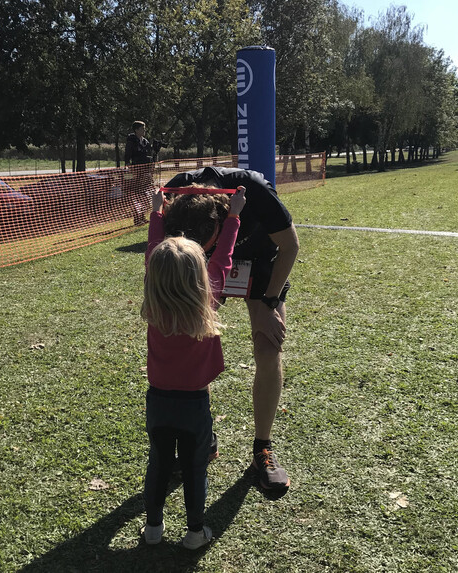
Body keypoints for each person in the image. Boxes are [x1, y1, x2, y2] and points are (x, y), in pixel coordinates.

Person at [162, 166, 300, 495]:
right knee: (192, 345)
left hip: (261, 263)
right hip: (208, 269)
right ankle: (203, 436)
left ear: (225, 220)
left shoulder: (253, 190)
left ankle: (262, 448)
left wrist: (268, 305)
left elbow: (291, 246)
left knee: (269, 347)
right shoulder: (179, 195)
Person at [141, 186, 246, 549]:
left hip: (158, 400)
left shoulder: (153, 297)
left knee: (158, 463)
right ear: (202, 274)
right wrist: (233, 216)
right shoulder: (209, 295)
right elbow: (225, 258)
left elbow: (153, 252)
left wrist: (157, 212)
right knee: (193, 468)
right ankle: (194, 532)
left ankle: (153, 530)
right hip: (194, 404)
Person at [124, 121, 153, 225]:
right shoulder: (131, 141)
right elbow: (127, 155)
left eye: (144, 128)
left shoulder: (145, 141)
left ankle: (142, 216)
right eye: (142, 129)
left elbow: (149, 154)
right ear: (136, 130)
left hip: (145, 171)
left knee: (144, 195)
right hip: (136, 171)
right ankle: (137, 219)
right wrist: (129, 166)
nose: (144, 131)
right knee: (136, 195)